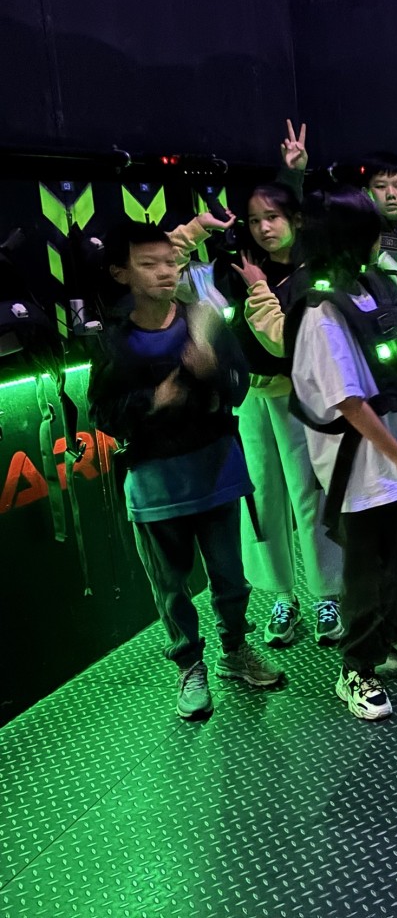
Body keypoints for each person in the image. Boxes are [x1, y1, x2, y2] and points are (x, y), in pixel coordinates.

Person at [89, 221, 283, 720]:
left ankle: (235, 650)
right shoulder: (114, 340)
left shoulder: (203, 318)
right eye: (148, 264)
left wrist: (213, 369)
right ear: (121, 273)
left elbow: (240, 384)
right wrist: (153, 400)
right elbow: (103, 414)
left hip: (216, 470)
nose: (164, 272)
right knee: (171, 587)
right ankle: (189, 665)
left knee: (231, 578)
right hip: (155, 483)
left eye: (170, 262)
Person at [287, 187, 397, 720]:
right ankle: (356, 668)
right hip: (361, 461)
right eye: (373, 229)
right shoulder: (320, 309)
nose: (382, 237)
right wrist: (395, 454)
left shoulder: (375, 286)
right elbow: (347, 400)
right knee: (371, 569)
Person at [210, 182, 345, 647]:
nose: (264, 228)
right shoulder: (241, 267)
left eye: (273, 217)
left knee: (310, 494)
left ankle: (328, 594)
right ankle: (281, 595)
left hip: (301, 396)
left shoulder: (317, 270)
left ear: (296, 219)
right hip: (250, 395)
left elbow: (290, 344)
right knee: (260, 496)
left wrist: (298, 173)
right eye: (254, 220)